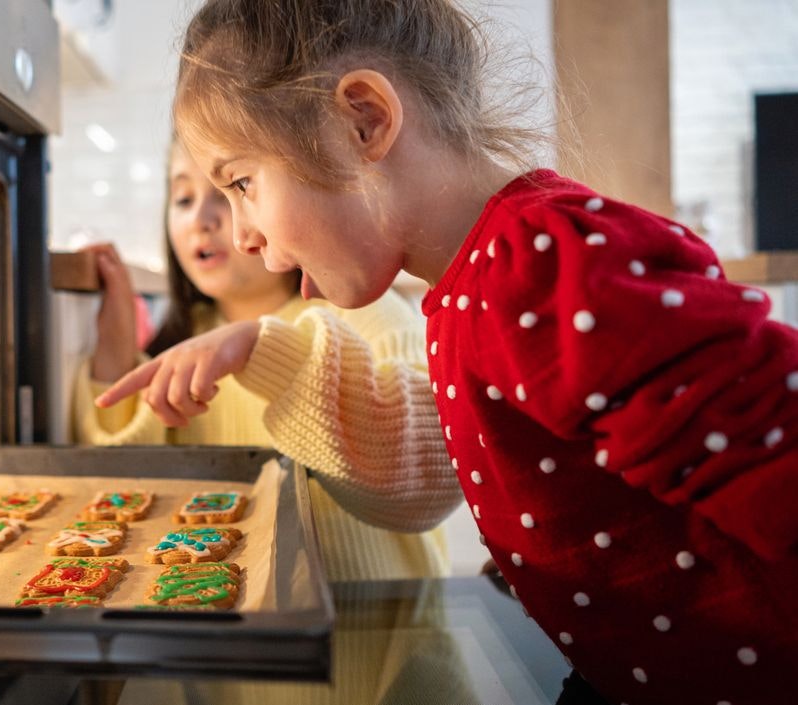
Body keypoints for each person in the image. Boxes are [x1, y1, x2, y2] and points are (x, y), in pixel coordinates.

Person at [97, 1, 798, 703]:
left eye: (242, 183)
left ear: (363, 120)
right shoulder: (475, 283)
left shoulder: (533, 267)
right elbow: (462, 453)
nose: (244, 233)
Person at [75, 137, 463, 582]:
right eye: (183, 197)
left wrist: (263, 350)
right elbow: (123, 500)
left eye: (236, 189)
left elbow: (431, 465)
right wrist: (115, 349)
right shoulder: (184, 340)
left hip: (383, 638)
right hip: (237, 639)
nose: (202, 220)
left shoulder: (366, 310)